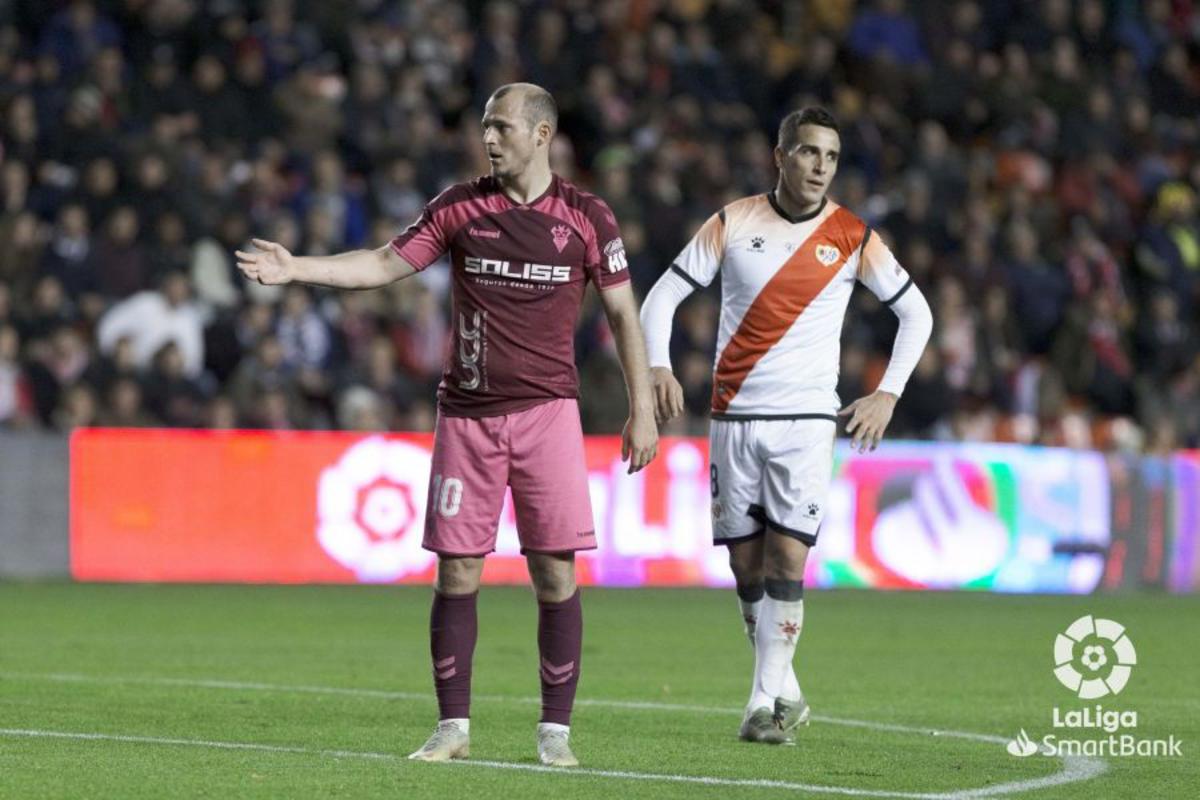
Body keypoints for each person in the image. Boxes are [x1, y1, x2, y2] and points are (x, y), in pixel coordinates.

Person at [237, 83, 658, 767]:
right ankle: (452, 727)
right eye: (485, 126)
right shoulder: (460, 205)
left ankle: (555, 734)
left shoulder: (587, 217)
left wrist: (641, 408)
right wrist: (296, 269)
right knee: (457, 571)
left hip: (549, 414)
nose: (488, 138)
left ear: (542, 134)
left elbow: (622, 314)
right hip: (467, 416)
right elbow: (383, 263)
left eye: (502, 127)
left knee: (555, 573)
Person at [639, 106, 932, 744]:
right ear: (781, 156)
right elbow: (661, 296)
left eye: (831, 156)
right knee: (747, 571)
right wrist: (659, 366)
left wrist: (887, 393)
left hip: (807, 420)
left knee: (787, 559)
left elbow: (918, 314)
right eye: (808, 152)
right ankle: (785, 689)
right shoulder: (733, 221)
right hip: (733, 417)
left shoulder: (852, 235)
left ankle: (759, 706)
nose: (820, 166)